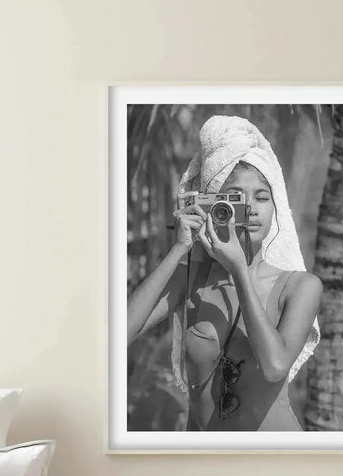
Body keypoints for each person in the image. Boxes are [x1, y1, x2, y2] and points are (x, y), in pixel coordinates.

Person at [127, 114, 322, 432]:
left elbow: (274, 366)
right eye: (234, 198)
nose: (252, 208)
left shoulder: (300, 286)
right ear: (213, 204)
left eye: (262, 196)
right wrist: (179, 249)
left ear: (276, 209)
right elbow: (117, 335)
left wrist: (240, 272)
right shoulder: (192, 278)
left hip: (273, 455)